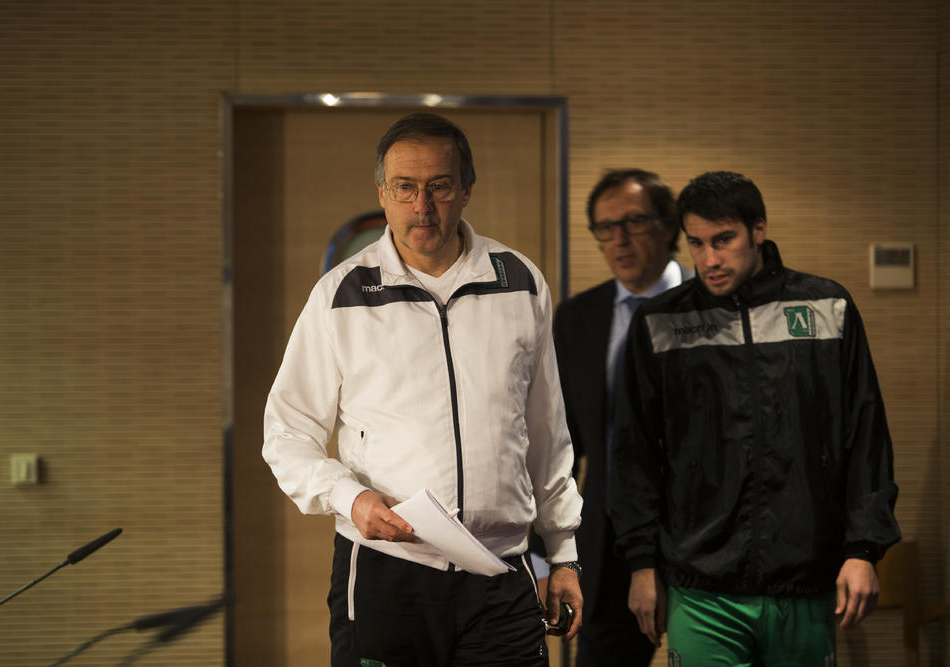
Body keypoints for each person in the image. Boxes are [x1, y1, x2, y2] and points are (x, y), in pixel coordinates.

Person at [262, 112, 584, 666]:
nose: (422, 207)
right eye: (405, 188)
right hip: (390, 574)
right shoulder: (341, 294)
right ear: (382, 194)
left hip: (500, 571)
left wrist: (564, 553)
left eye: (439, 186)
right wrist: (350, 497)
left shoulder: (520, 282)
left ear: (466, 190)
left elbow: (547, 431)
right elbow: (286, 434)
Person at [610, 170, 900, 665]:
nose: (709, 260)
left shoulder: (827, 307)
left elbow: (865, 436)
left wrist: (863, 550)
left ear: (758, 230)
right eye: (697, 243)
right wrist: (640, 564)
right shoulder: (661, 323)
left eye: (723, 240)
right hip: (701, 588)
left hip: (805, 580)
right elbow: (634, 454)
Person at [553, 169, 691, 666]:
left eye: (634, 222)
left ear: (668, 226)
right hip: (607, 531)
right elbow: (562, 442)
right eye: (606, 227)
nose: (619, 239)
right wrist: (550, 548)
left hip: (700, 529)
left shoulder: (709, 303)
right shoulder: (578, 317)